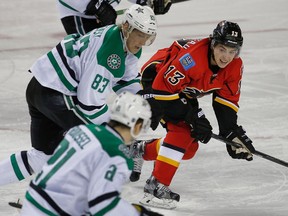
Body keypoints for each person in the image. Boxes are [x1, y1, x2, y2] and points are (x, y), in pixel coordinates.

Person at [0, 4, 159, 187]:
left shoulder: (123, 42)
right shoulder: (110, 54)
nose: (142, 41)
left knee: (42, 158)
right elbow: (89, 105)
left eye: (147, 37)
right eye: (140, 34)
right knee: (97, 143)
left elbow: (126, 80)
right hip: (55, 95)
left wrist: (145, 99)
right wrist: (120, 135)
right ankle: (69, 200)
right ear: (126, 27)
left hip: (42, 87)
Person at [130, 20, 256, 209]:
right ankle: (155, 187)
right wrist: (193, 116)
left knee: (188, 149)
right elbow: (163, 88)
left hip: (183, 90)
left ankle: (140, 150)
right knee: (182, 133)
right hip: (156, 83)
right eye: (222, 49)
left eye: (232, 51)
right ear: (213, 44)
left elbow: (226, 101)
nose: (226, 57)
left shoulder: (235, 66)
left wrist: (231, 132)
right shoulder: (192, 58)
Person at [20, 91, 162, 216]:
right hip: (54, 210)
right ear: (137, 125)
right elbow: (102, 205)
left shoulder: (82, 129)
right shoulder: (118, 154)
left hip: (33, 200)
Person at [56, 0, 172, 35]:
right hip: (80, 16)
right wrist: (92, 5)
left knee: (114, 56)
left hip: (106, 11)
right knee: (89, 58)